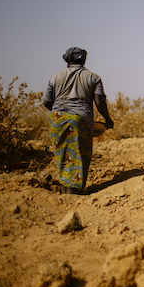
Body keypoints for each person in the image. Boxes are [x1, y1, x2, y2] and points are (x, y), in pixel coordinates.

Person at [43, 47, 114, 194]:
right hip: (80, 119)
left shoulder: (55, 77)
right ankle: (74, 195)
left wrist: (60, 112)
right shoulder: (93, 77)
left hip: (57, 118)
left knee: (62, 154)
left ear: (67, 59)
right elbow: (99, 102)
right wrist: (107, 120)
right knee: (79, 154)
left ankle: (65, 193)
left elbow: (46, 101)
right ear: (83, 60)